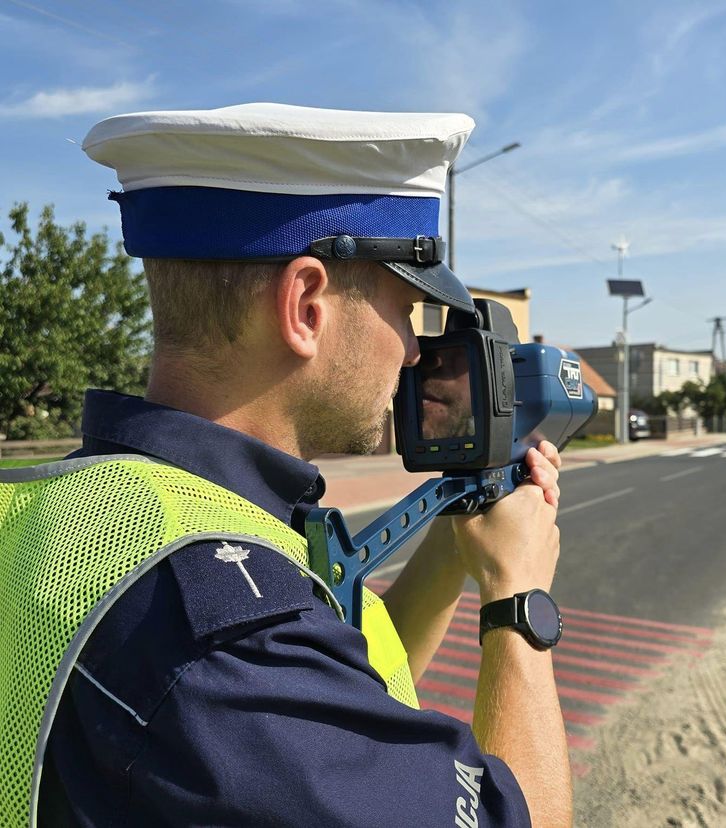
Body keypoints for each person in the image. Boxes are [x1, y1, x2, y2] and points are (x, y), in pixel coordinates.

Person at [0, 104, 572, 826]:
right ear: (305, 304)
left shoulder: (76, 505)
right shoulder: (225, 636)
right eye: (404, 309)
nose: (414, 352)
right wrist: (518, 600)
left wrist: (454, 550)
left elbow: (343, 709)